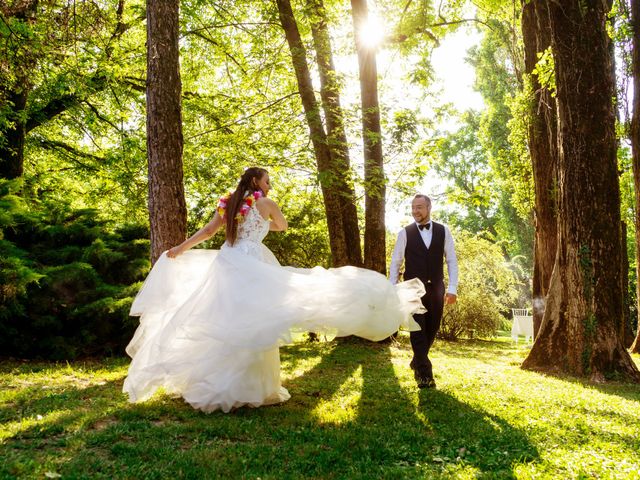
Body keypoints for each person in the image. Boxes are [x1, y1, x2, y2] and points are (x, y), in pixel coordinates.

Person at [123, 167, 426, 413]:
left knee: (227, 319)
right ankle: (251, 388)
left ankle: (221, 385)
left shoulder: (227, 203)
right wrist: (269, 217)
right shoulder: (265, 203)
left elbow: (208, 232)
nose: (269, 186)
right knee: (257, 320)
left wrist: (180, 247)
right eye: (267, 181)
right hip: (253, 259)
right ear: (256, 181)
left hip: (228, 261)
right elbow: (282, 226)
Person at [389, 194, 458, 389]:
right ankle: (425, 375)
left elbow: (451, 261)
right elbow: (396, 262)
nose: (415, 211)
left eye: (419, 207)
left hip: (436, 287)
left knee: (432, 328)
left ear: (429, 208)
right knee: (417, 329)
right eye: (413, 207)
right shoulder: (405, 233)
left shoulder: (444, 231)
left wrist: (452, 288)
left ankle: (417, 360)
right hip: (411, 289)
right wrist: (392, 288)